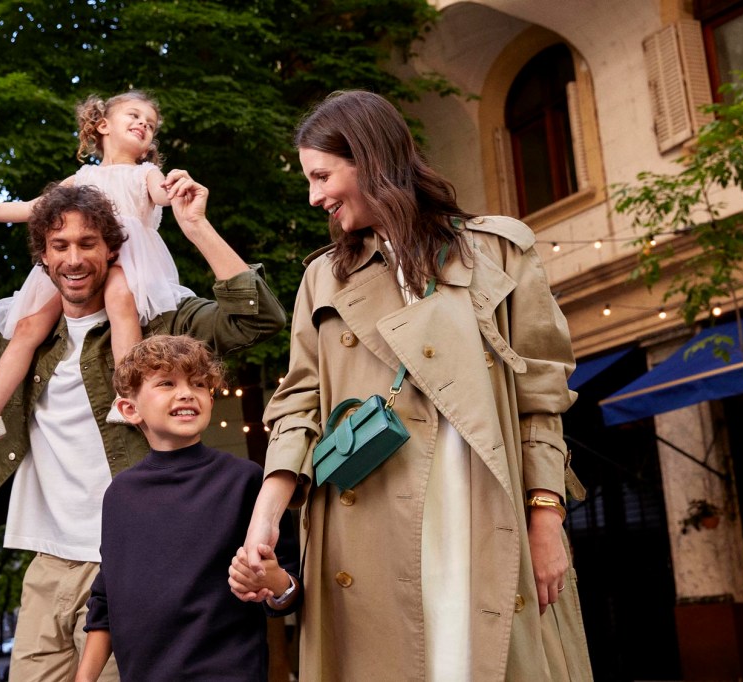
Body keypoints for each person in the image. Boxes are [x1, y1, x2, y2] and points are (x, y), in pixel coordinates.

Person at [234, 90, 593, 681]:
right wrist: (267, 514)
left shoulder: (497, 251)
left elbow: (541, 400)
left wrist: (547, 517)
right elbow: (298, 404)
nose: (314, 196)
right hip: (365, 520)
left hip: (482, 506)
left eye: (322, 175)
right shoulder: (324, 277)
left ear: (370, 159)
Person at [0, 178, 286, 681]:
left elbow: (256, 318)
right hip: (47, 563)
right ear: (43, 256)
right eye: (60, 245)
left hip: (130, 569)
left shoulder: (159, 323)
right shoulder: (28, 332)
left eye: (88, 243)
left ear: (112, 247)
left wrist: (195, 225)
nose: (73, 259)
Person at [0, 90, 196, 449]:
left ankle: (124, 395)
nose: (143, 124)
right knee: (28, 325)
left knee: (120, 301)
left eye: (150, 124)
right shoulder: (82, 176)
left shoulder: (146, 173)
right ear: (103, 125)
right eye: (134, 115)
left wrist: (175, 183)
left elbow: (161, 195)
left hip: (124, 256)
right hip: (78, 258)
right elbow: (34, 208)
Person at [75, 335, 301, 682]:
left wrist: (272, 581)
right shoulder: (119, 494)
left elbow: (291, 589)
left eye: (198, 383)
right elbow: (105, 601)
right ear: (129, 409)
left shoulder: (245, 480)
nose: (186, 393)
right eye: (167, 383)